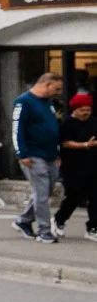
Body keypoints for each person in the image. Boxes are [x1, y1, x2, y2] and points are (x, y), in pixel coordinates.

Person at [12, 71, 65, 244]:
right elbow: (17, 130)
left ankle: (24, 220)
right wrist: (22, 154)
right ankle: (44, 231)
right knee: (42, 194)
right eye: (56, 89)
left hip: (49, 155)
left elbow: (52, 128)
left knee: (45, 192)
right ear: (47, 84)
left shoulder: (47, 103)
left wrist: (56, 152)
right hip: (33, 156)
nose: (58, 93)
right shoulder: (23, 102)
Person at [56, 92, 95, 237]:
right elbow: (65, 143)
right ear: (75, 109)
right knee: (75, 195)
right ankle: (59, 219)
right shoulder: (67, 123)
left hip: (92, 164)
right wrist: (85, 144)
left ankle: (93, 227)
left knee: (95, 196)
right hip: (73, 165)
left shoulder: (93, 122)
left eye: (88, 110)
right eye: (82, 110)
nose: (86, 113)